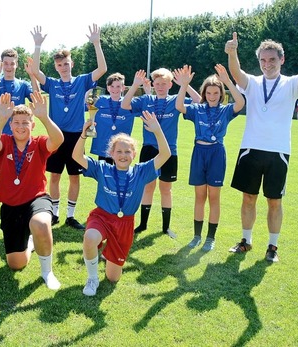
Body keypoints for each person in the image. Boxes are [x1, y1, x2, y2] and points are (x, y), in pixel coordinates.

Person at [225, 26, 298, 262]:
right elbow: (236, 73)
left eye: (272, 60)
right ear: (259, 61)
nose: (267, 64)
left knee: (274, 201)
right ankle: (246, 241)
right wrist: (232, 52)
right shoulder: (253, 82)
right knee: (248, 198)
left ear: (281, 60)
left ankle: (272, 247)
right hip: (251, 148)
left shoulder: (291, 84)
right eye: (263, 60)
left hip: (278, 151)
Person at [72, 110, 170, 296]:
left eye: (127, 151)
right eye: (119, 151)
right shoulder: (102, 168)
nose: (123, 155)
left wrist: (157, 130)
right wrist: (84, 135)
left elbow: (165, 155)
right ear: (111, 153)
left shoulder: (141, 171)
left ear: (134, 154)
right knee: (90, 237)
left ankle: (105, 254)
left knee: (113, 277)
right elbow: (77, 157)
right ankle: (92, 278)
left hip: (125, 224)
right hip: (102, 217)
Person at [31, 24, 107, 229]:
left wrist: (96, 43)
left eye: (66, 63)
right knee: (54, 175)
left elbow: (102, 69)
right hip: (56, 136)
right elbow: (36, 72)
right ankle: (54, 213)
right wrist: (37, 46)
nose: (63, 67)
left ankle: (70, 216)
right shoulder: (53, 84)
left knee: (74, 176)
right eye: (59, 65)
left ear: (71, 63)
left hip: (75, 136)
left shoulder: (82, 81)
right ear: (56, 67)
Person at [0, 91, 64, 290]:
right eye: (17, 122)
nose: (21, 126)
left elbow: (58, 140)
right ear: (11, 126)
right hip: (10, 206)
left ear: (32, 125)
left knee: (41, 223)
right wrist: (2, 118)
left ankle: (47, 272)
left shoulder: (38, 143)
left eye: (25, 122)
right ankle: (30, 243)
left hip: (36, 199)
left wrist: (44, 116)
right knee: (16, 264)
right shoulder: (4, 140)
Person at [121, 68, 200, 238]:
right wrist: (135, 85)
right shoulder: (146, 99)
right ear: (154, 85)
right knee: (148, 187)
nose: (160, 87)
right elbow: (124, 104)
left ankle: (165, 227)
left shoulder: (176, 100)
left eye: (164, 84)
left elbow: (199, 100)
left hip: (169, 150)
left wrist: (185, 85)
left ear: (171, 84)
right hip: (149, 149)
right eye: (157, 84)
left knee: (166, 189)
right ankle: (143, 224)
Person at [174, 64, 245, 251]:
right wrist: (184, 85)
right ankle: (196, 236)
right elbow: (179, 106)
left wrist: (227, 81)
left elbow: (241, 103)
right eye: (209, 93)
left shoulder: (226, 110)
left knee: (214, 197)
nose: (212, 97)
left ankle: (210, 238)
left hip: (216, 154)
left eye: (216, 93)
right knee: (199, 196)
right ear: (204, 94)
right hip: (199, 152)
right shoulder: (197, 109)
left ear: (221, 94)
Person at [89, 73, 141, 163]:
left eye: (118, 86)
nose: (115, 89)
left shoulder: (129, 103)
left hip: (122, 148)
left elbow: (147, 109)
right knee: (104, 174)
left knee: (120, 173)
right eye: (112, 86)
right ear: (108, 88)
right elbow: (81, 105)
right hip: (103, 147)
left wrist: (148, 90)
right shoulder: (99, 101)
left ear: (123, 87)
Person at [0, 48, 37, 135]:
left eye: (12, 64)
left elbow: (36, 99)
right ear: (2, 65)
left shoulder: (23, 85)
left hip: (18, 134)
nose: (9, 67)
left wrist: (32, 75)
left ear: (16, 65)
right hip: (0, 134)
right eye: (6, 64)